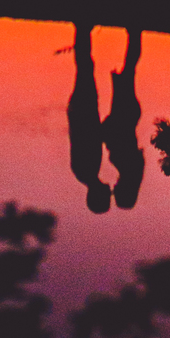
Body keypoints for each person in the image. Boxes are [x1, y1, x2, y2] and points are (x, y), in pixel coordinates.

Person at [66, 22, 111, 212]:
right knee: (85, 67)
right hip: (81, 111)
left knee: (85, 66)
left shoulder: (87, 170)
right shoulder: (85, 173)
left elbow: (87, 137)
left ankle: (82, 29)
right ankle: (83, 30)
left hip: (83, 111)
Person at [102, 27, 145, 208]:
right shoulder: (127, 166)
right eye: (117, 191)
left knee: (129, 70)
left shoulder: (130, 170)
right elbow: (118, 138)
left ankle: (134, 35)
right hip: (124, 114)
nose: (114, 187)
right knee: (129, 70)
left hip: (126, 114)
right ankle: (135, 34)